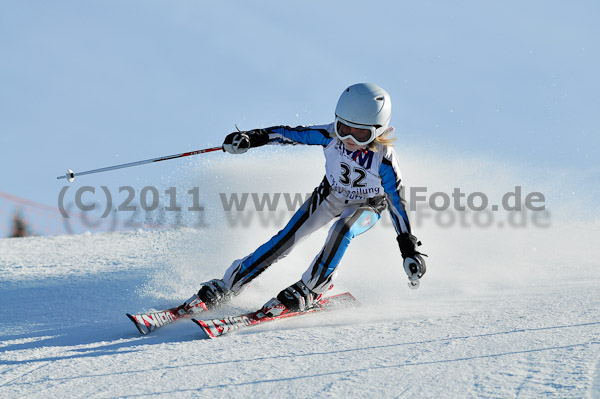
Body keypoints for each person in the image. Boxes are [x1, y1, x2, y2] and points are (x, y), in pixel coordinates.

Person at [183, 83, 426, 316]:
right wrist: (251, 138)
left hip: (368, 205)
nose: (350, 138)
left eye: (361, 133)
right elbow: (290, 134)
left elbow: (396, 203)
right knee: (286, 240)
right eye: (344, 128)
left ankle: (313, 288)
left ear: (379, 130)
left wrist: (408, 248)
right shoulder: (329, 134)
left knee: (342, 230)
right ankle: (229, 284)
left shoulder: (384, 160)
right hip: (331, 194)